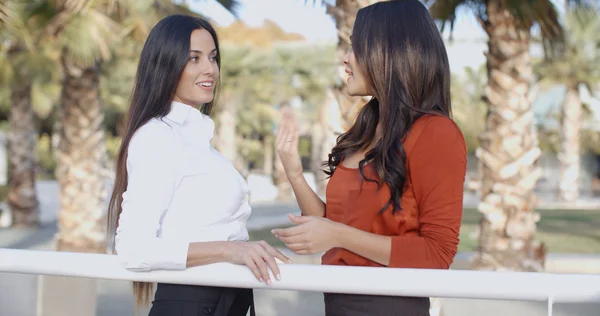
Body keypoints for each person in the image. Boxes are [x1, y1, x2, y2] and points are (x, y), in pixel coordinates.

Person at [272, 1, 467, 315]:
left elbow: (437, 253)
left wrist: (337, 234)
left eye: (356, 48)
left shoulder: (435, 133)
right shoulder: (366, 128)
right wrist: (294, 172)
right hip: (337, 303)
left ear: (389, 54)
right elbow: (334, 229)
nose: (346, 59)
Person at [106, 15, 290, 316]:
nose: (210, 69)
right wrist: (230, 250)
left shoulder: (200, 142)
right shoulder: (157, 136)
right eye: (194, 59)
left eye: (213, 58)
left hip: (227, 301)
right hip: (190, 303)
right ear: (165, 65)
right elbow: (133, 249)